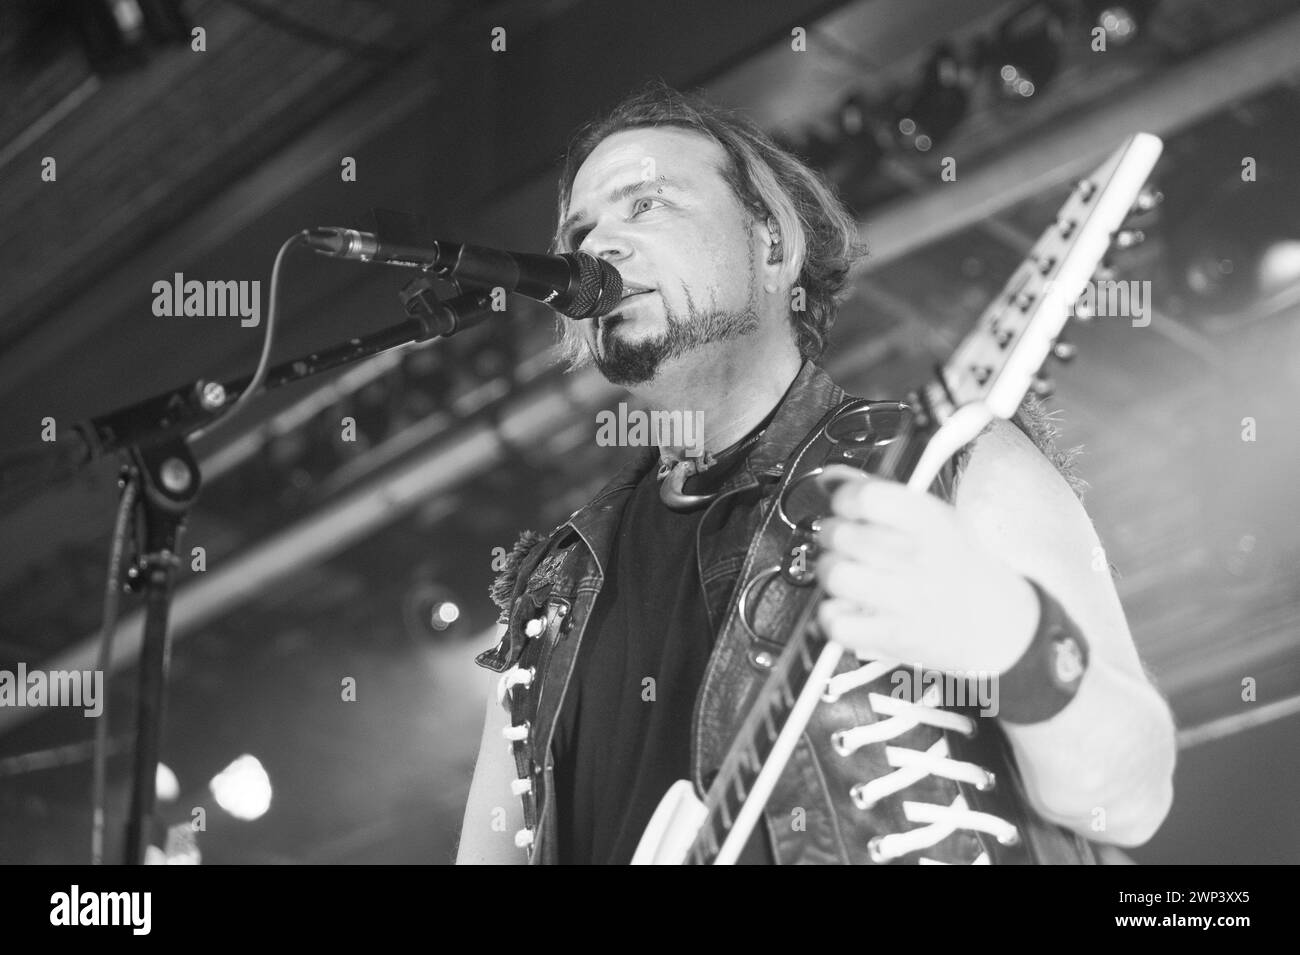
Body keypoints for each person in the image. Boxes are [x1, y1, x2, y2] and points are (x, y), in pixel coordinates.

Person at [455, 82, 1175, 865]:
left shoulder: (946, 466)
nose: (599, 247)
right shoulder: (548, 593)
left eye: (647, 205)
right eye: (581, 229)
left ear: (772, 244)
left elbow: (1132, 796)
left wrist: (1016, 642)